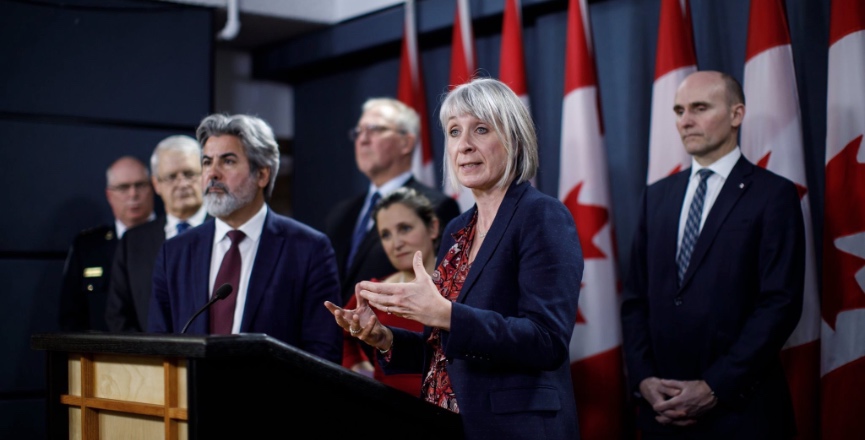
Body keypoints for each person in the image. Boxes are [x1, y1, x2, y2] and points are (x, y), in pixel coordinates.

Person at [325, 78, 584, 439]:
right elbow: (447, 351)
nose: (464, 146)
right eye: (454, 132)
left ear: (514, 138)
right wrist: (385, 339)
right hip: (444, 422)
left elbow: (546, 341)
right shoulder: (458, 230)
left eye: (480, 129)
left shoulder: (542, 216)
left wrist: (445, 314)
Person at [620, 71, 805, 439]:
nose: (685, 121)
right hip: (662, 413)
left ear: (737, 114)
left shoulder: (773, 195)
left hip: (741, 414)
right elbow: (635, 300)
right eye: (678, 110)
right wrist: (644, 379)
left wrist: (714, 387)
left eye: (699, 108)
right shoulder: (656, 197)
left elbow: (780, 304)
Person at [147, 113, 342, 364]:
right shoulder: (175, 252)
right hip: (190, 399)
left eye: (227, 161)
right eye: (207, 162)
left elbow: (323, 353)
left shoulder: (309, 249)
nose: (212, 173)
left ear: (262, 174)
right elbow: (158, 346)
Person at [325, 97, 460, 306]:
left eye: (374, 130)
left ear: (406, 142)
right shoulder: (340, 213)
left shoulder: (437, 206)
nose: (363, 140)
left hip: (398, 329)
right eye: (359, 132)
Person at [105, 135, 209, 332]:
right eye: (171, 177)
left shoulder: (227, 231)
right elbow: (118, 316)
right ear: (156, 184)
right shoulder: (133, 242)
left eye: (189, 173)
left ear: (205, 175)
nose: (182, 183)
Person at [341, 187, 436, 395]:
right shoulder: (374, 291)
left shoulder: (461, 284)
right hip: (385, 413)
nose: (396, 244)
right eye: (385, 235)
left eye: (405, 228)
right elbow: (342, 332)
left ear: (433, 228)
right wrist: (358, 368)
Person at [59, 156, 155, 331]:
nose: (133, 194)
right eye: (123, 187)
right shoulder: (88, 247)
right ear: (109, 195)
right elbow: (71, 318)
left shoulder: (173, 239)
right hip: (101, 355)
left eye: (140, 185)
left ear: (153, 187)